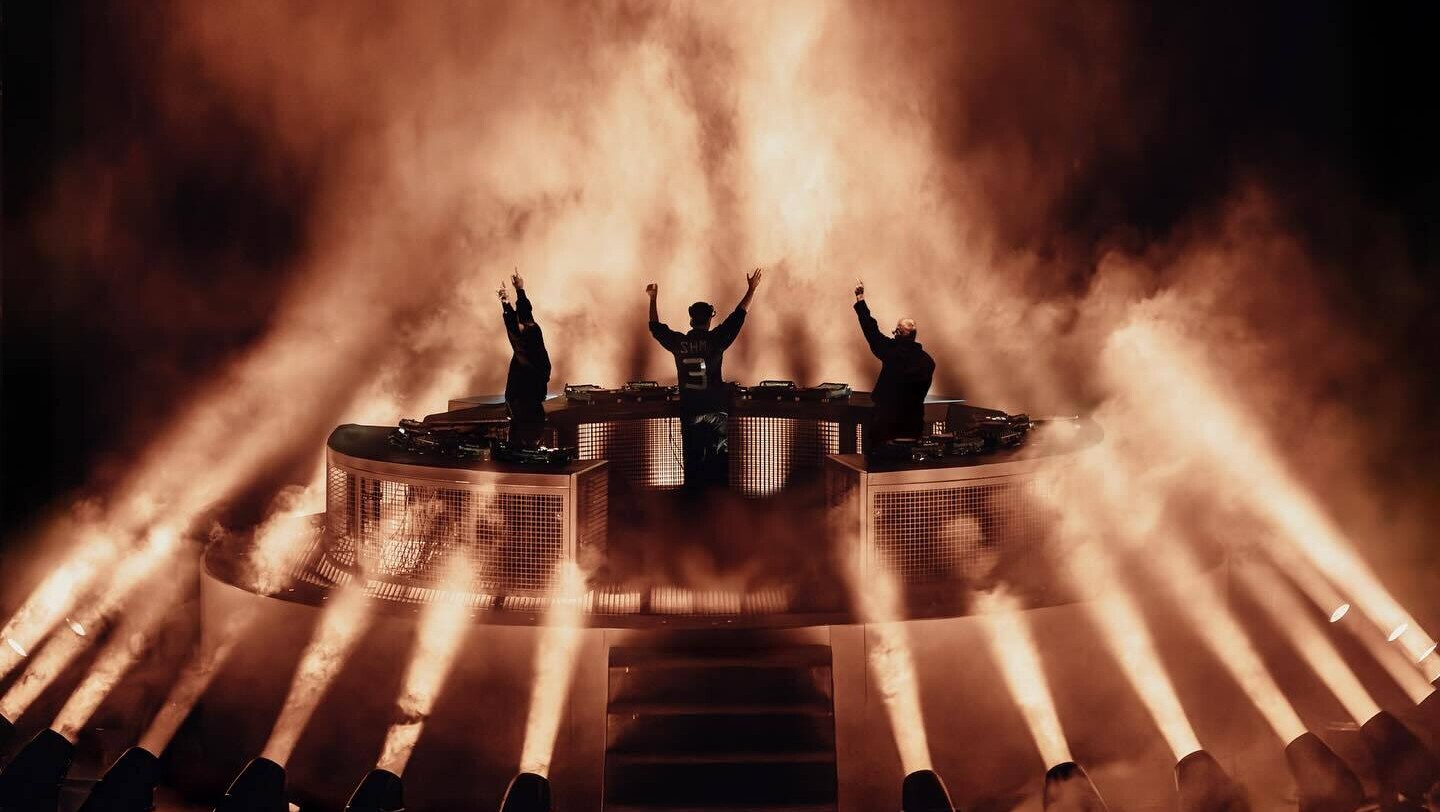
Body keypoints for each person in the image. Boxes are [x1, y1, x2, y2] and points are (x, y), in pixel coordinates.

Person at [647, 269, 763, 491]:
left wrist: (653, 298)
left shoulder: (679, 343)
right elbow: (738, 316)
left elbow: (655, 328)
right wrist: (751, 289)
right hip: (715, 410)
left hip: (690, 410)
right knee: (718, 465)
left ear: (691, 320)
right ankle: (718, 504)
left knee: (693, 465)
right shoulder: (716, 340)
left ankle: (693, 505)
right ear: (709, 319)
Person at [853, 280, 935, 451]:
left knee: (880, 463)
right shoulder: (928, 362)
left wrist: (860, 299)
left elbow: (871, 330)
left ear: (898, 332)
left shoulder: (891, 352)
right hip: (912, 427)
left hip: (885, 427)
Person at [498, 270, 551, 447]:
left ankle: (524, 446)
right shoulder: (532, 329)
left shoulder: (526, 344)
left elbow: (514, 327)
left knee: (521, 444)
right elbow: (524, 314)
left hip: (525, 401)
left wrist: (507, 302)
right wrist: (518, 290)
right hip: (528, 400)